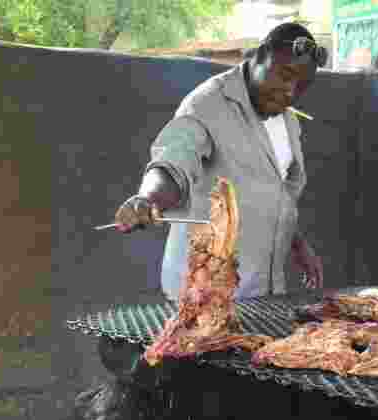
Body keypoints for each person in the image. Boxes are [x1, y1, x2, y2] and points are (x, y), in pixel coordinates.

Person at [115, 23, 327, 299]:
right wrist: (148, 199)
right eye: (285, 75)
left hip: (263, 290)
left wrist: (297, 243)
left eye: (302, 85)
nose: (290, 91)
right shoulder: (207, 103)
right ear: (260, 55)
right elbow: (175, 157)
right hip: (204, 295)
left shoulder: (286, 118)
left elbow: (277, 195)